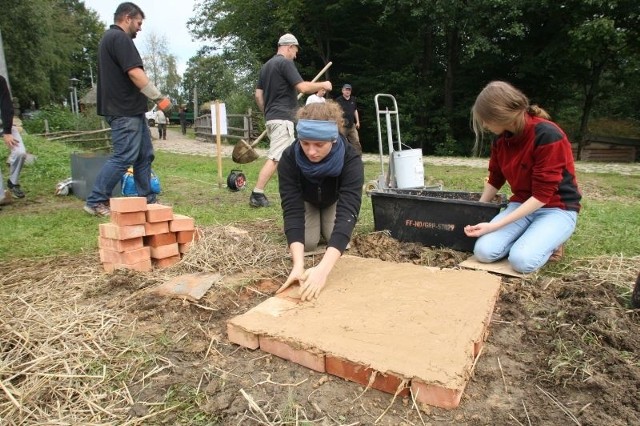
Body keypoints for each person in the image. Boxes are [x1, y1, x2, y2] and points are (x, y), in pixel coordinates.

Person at [464, 81, 582, 274]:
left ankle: (553, 241)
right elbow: (496, 176)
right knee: (483, 252)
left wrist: (497, 225)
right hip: (521, 204)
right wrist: (478, 208)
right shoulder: (501, 139)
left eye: (486, 119)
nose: (484, 125)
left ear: (500, 115)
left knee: (522, 261)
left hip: (556, 208)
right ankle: (532, 238)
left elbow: (543, 196)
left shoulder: (548, 135)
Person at [84, 2, 171, 217]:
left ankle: (148, 199)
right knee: (124, 156)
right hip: (123, 111)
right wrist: (159, 98)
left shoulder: (109, 39)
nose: (140, 28)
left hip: (130, 110)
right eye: (139, 23)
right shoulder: (119, 38)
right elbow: (134, 73)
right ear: (127, 18)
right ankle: (96, 200)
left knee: (144, 155)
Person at [276, 101, 364, 301]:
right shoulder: (289, 158)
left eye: (319, 145)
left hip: (333, 201)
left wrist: (322, 271)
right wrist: (298, 266)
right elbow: (291, 208)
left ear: (332, 140)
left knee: (338, 237)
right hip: (308, 201)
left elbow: (349, 209)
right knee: (307, 243)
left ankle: (327, 226)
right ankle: (317, 227)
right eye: (305, 143)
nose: (311, 151)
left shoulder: (351, 159)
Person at [251, 33, 332, 208]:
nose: (295, 55)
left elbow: (258, 95)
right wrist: (323, 85)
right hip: (282, 118)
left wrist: (267, 112)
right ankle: (257, 193)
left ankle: (298, 190)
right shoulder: (285, 63)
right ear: (289, 47)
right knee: (276, 157)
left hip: (272, 118)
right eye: (295, 51)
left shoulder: (266, 66)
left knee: (291, 156)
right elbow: (302, 87)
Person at [0, 75, 27, 203]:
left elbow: (6, 105)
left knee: (20, 152)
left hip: (4, 125)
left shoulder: (0, 80)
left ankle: (13, 182)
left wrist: (7, 131)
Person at [334, 83, 362, 155]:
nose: (347, 91)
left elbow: (355, 110)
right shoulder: (338, 100)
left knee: (356, 142)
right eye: (346, 90)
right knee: (341, 142)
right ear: (342, 90)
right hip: (342, 125)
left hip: (352, 125)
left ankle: (358, 158)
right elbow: (335, 112)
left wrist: (358, 122)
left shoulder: (353, 99)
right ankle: (340, 157)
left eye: (349, 90)